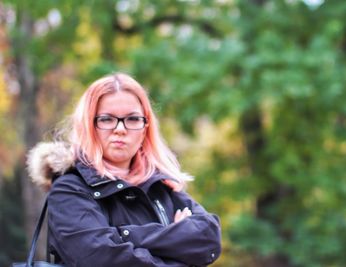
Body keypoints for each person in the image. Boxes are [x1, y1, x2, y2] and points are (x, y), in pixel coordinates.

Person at [26, 73, 222, 267]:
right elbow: (99, 259)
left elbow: (208, 238)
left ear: (146, 127)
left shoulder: (161, 186)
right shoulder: (70, 188)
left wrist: (122, 235)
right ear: (88, 125)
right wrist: (175, 237)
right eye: (106, 119)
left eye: (133, 119)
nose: (120, 129)